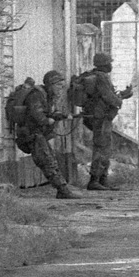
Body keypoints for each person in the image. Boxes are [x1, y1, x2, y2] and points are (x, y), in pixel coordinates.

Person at [14, 70, 82, 199]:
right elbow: (37, 114)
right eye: (58, 86)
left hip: (38, 134)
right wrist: (47, 121)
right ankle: (62, 190)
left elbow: (47, 112)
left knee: (50, 160)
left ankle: (62, 189)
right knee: (47, 161)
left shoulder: (46, 96)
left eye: (62, 87)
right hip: (32, 134)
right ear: (50, 84)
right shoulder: (37, 95)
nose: (60, 90)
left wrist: (62, 116)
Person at [81, 53, 133, 191]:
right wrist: (120, 100)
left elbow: (106, 96)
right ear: (104, 64)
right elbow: (108, 97)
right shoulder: (102, 77)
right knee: (101, 148)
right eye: (109, 63)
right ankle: (95, 180)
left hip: (100, 116)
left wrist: (122, 94)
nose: (111, 65)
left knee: (105, 148)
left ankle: (103, 180)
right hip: (101, 117)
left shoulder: (97, 76)